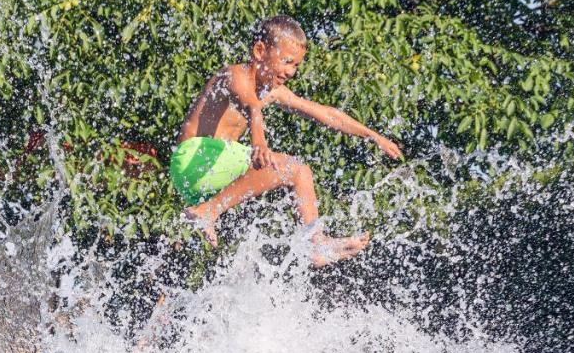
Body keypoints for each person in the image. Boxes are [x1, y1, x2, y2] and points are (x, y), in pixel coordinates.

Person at [170, 15, 404, 265]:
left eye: (296, 66)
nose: (291, 72)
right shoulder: (233, 74)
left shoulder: (272, 91)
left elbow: (326, 113)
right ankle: (315, 243)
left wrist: (372, 135)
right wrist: (259, 143)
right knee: (296, 170)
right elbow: (251, 106)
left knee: (262, 196)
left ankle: (208, 214)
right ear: (260, 51)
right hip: (195, 157)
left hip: (196, 179)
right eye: (287, 62)